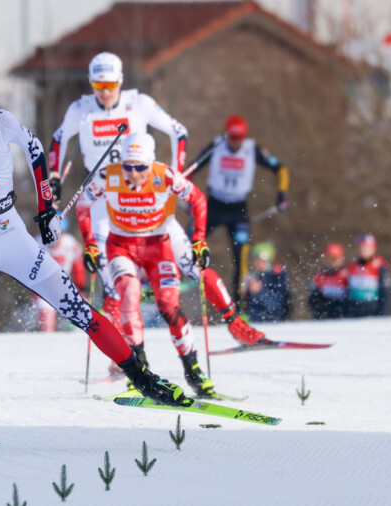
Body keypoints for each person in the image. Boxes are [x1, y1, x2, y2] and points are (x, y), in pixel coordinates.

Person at [0, 63, 191, 449]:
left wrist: (45, 211)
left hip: (9, 234)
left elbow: (36, 150)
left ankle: (143, 378)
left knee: (77, 307)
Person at [48, 52, 268, 351]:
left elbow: (178, 130)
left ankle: (237, 325)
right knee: (113, 283)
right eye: (98, 85)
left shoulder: (139, 102)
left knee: (192, 262)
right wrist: (55, 177)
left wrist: (176, 170)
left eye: (110, 84)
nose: (105, 92)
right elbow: (60, 139)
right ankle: (121, 357)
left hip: (146, 196)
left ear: (120, 80)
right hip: (103, 197)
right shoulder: (81, 108)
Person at [76, 132, 215, 397]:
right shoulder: (109, 175)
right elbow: (83, 205)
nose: (134, 174)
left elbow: (198, 199)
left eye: (140, 167)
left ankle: (193, 371)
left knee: (168, 305)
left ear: (150, 163)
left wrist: (198, 239)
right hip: (121, 246)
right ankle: (140, 371)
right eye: (129, 166)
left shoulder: (165, 175)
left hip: (157, 246)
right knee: (128, 295)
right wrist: (91, 243)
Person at [191, 115, 290, 304]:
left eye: (239, 139)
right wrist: (189, 199)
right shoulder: (216, 146)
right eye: (232, 139)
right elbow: (191, 170)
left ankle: (241, 304)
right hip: (213, 206)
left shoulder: (252, 150)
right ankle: (175, 281)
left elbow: (281, 169)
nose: (236, 143)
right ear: (226, 135)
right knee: (189, 242)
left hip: (238, 210)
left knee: (241, 258)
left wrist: (282, 195)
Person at [33, 218, 86, 332]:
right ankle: (47, 341)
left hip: (65, 285)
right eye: (49, 233)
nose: (54, 239)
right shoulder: (38, 243)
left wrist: (80, 286)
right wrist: (35, 290)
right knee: (46, 315)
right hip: (44, 288)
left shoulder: (71, 244)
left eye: (57, 234)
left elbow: (78, 267)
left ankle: (76, 336)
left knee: (82, 311)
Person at [242, 242, 291, 322]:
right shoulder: (251, 276)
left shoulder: (277, 275)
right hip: (253, 322)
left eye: (260, 260)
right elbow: (243, 304)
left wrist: (259, 291)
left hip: (274, 322)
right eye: (255, 259)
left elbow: (277, 306)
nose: (257, 263)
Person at [346, 234, 391, 317]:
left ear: (373, 249)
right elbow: (346, 290)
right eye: (359, 248)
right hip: (354, 311)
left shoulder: (380, 266)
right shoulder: (351, 266)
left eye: (365, 248)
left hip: (373, 311)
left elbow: (385, 292)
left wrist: (383, 313)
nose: (362, 251)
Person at [308, 243, 348, 319]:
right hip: (324, 316)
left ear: (341, 259)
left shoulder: (346, 275)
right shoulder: (319, 276)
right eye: (328, 259)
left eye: (334, 259)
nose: (331, 262)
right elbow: (312, 299)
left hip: (342, 316)